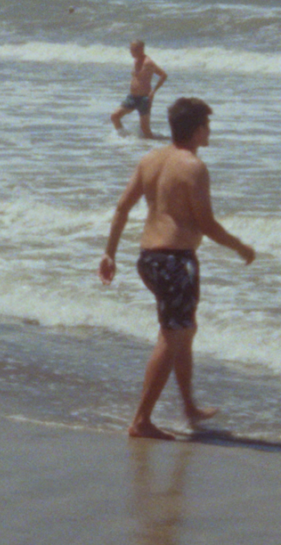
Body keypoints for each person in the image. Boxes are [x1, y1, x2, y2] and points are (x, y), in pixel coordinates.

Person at [98, 97, 255, 441]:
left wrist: (109, 253)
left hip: (149, 259)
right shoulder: (193, 166)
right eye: (207, 126)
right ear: (197, 130)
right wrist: (240, 247)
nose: (209, 132)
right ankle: (141, 421)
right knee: (172, 337)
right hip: (175, 262)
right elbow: (208, 225)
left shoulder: (150, 159)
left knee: (183, 329)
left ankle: (188, 407)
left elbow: (122, 208)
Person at [111, 40, 168, 138]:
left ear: (141, 49)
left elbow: (163, 75)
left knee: (146, 131)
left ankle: (160, 144)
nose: (131, 52)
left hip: (144, 99)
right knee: (115, 116)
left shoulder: (148, 63)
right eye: (131, 49)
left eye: (134, 49)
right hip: (132, 97)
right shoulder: (136, 60)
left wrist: (153, 91)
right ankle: (124, 139)